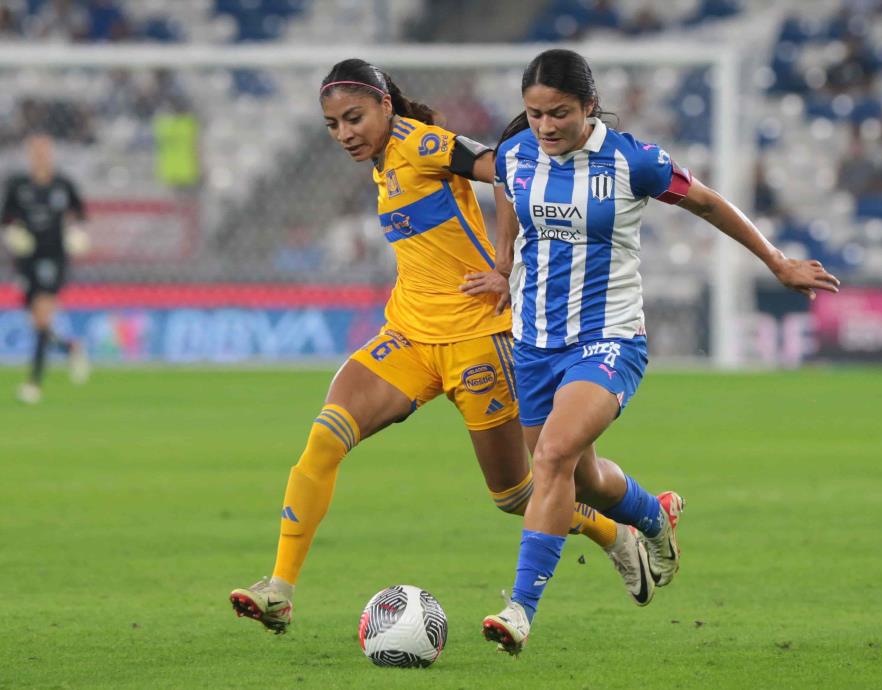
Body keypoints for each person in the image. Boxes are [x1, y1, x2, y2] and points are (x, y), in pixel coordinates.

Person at [229, 58, 655, 634]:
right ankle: (279, 590)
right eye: (333, 125)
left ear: (385, 105)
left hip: (478, 340)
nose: (345, 134)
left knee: (514, 495)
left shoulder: (423, 143)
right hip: (408, 335)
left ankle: (612, 532)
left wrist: (504, 264)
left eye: (354, 118)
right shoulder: (382, 160)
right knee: (325, 437)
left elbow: (505, 166)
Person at [464, 49, 841, 655]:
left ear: (589, 105)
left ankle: (519, 611)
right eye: (534, 114)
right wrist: (503, 263)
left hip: (609, 338)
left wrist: (777, 261)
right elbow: (508, 191)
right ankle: (651, 516)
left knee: (552, 458)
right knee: (581, 478)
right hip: (533, 343)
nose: (545, 126)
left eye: (559, 113)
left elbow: (707, 201)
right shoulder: (515, 153)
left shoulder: (631, 160)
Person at [2, 133, 91, 404]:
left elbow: (80, 213)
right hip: (26, 260)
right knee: (37, 323)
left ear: (51, 154)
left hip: (54, 257)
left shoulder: (63, 185)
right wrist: (14, 233)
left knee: (42, 315)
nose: (40, 156)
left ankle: (34, 383)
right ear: (30, 155)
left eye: (44, 151)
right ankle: (70, 347)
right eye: (36, 152)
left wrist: (75, 233)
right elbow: (6, 218)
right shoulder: (18, 185)